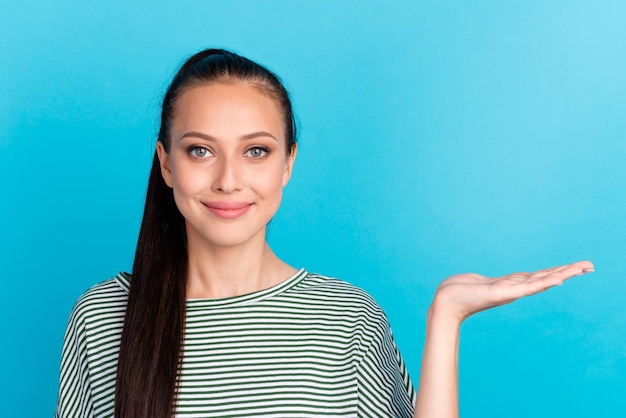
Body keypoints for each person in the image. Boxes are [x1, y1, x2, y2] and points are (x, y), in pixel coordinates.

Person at [55, 48, 593, 418]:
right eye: (200, 150)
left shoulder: (347, 318)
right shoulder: (102, 317)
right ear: (166, 164)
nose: (227, 180)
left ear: (287, 165)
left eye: (256, 151)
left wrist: (446, 319)